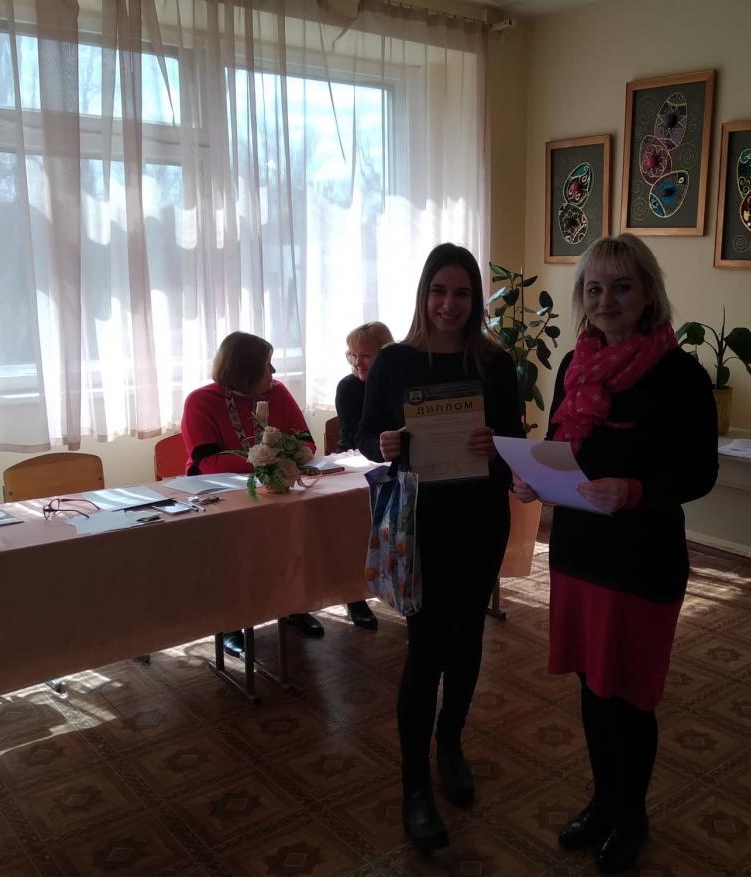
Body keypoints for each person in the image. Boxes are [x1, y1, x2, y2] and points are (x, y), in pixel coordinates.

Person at [510, 234, 718, 874]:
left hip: (641, 559)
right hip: (579, 553)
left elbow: (699, 473)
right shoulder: (574, 364)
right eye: (595, 288)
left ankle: (632, 815)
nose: (606, 300)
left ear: (648, 293)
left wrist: (634, 491)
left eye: (622, 286)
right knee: (593, 687)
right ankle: (604, 802)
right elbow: (561, 448)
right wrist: (534, 477)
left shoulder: (680, 375)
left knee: (630, 696)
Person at [357, 244, 521, 851]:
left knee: (469, 639)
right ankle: (414, 785)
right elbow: (364, 437)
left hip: (479, 520)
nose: (449, 305)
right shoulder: (395, 361)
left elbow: (514, 441)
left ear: (476, 300)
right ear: (424, 294)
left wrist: (494, 443)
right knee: (426, 650)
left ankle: (450, 743)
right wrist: (385, 444)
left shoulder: (495, 364)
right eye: (439, 291)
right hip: (420, 525)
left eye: (462, 294)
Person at [180, 331, 326, 652]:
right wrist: (268, 460)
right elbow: (207, 462)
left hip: (274, 487)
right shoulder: (201, 400)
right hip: (220, 494)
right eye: (266, 364)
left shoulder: (278, 392)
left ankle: (295, 606)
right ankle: (228, 624)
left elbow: (306, 443)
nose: (273, 371)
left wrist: (278, 459)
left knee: (296, 537)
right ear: (245, 369)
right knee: (232, 553)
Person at [334, 321, 395, 630]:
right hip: (355, 461)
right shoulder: (348, 386)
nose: (357, 362)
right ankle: (354, 595)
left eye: (366, 356)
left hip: (391, 459)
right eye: (352, 355)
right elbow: (351, 436)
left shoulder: (398, 381)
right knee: (352, 518)